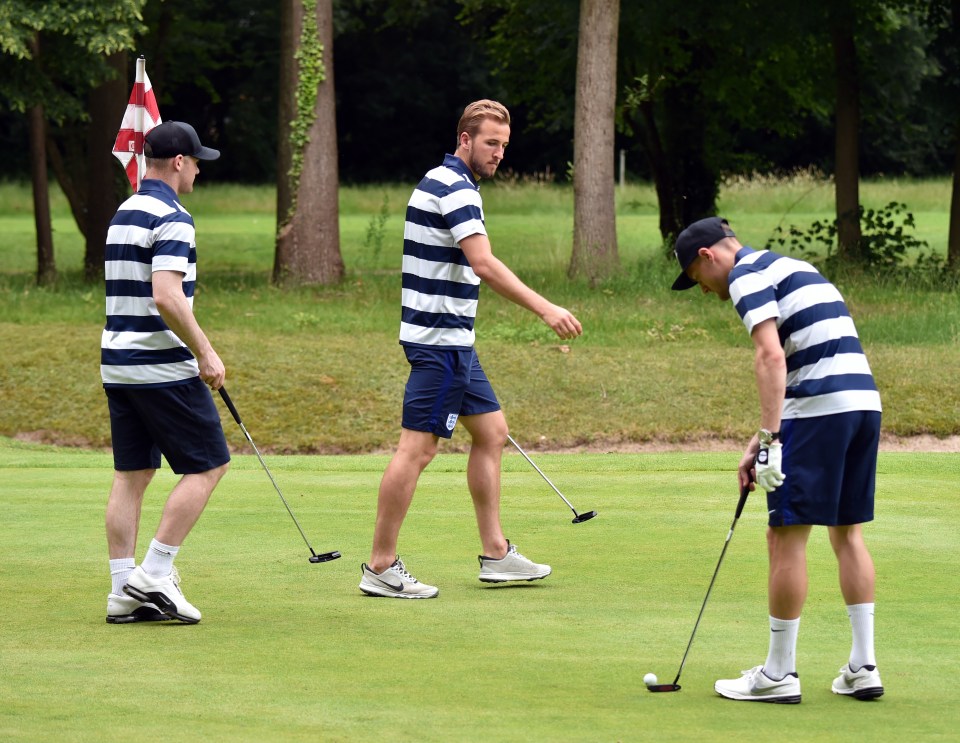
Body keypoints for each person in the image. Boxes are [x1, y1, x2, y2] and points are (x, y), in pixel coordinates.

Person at [359, 100, 583, 599]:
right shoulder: (455, 188)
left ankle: (496, 554)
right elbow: (482, 263)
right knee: (416, 451)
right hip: (440, 341)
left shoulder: (448, 182)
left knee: (493, 433)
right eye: (490, 143)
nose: (499, 153)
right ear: (465, 139)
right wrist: (545, 309)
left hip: (452, 339)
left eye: (504, 145)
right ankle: (380, 565)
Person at [671, 217, 884, 703]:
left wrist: (771, 440)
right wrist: (763, 436)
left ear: (709, 257)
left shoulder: (745, 276)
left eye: (696, 279)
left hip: (820, 411)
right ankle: (862, 666)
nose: (703, 291)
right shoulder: (790, 266)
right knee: (848, 531)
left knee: (784, 534)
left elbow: (771, 357)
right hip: (862, 406)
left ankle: (779, 674)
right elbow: (812, 358)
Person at [101, 121, 229, 624]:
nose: (198, 168)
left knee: (132, 474)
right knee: (209, 465)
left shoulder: (124, 210)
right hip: (160, 367)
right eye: (196, 161)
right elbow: (166, 293)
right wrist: (206, 352)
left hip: (118, 363)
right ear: (178, 163)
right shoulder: (173, 216)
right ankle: (154, 574)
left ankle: (121, 590)